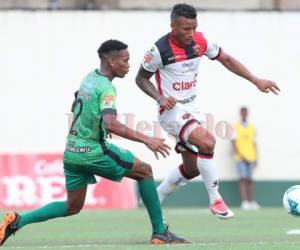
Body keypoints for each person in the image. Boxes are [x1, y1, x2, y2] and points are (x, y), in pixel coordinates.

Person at [0, 39, 188, 246]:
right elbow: (111, 125)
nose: (128, 64)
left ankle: (17, 221)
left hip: (71, 151)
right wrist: (147, 139)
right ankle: (160, 232)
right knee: (144, 171)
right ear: (111, 61)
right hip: (92, 151)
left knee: (72, 206)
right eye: (125, 60)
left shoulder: (89, 78)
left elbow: (75, 104)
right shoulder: (106, 88)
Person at [135, 3, 280, 219]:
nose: (191, 33)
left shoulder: (200, 41)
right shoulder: (158, 50)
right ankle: (216, 199)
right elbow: (140, 78)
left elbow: (227, 60)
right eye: (186, 29)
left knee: (192, 169)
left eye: (194, 28)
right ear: (172, 26)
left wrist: (256, 80)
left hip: (192, 109)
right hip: (171, 111)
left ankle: (156, 196)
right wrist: (160, 97)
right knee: (208, 142)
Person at [232, 107, 260, 210]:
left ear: (247, 113)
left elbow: (254, 143)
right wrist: (240, 155)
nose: (244, 114)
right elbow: (233, 143)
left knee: (250, 179)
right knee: (242, 179)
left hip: (251, 157)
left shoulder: (252, 127)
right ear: (240, 113)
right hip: (240, 158)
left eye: (245, 112)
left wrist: (256, 157)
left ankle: (251, 201)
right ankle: (244, 202)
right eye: (242, 112)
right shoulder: (235, 127)